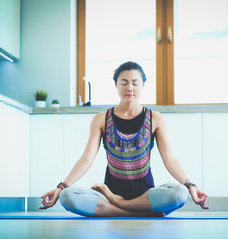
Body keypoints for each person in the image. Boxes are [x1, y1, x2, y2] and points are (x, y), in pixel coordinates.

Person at [40, 61, 209, 217]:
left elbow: (170, 159)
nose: (130, 88)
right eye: (124, 82)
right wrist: (61, 187)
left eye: (135, 83)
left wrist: (190, 186)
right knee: (67, 197)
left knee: (179, 193)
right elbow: (86, 158)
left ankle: (119, 207)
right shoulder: (101, 119)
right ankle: (134, 211)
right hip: (109, 193)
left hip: (145, 196)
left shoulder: (155, 118)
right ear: (116, 85)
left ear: (143, 85)